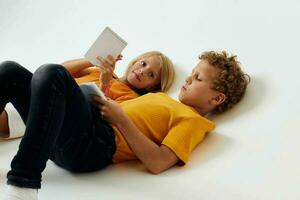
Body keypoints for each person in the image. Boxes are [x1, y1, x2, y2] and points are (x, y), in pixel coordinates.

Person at [1, 50, 250, 200]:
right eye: (192, 73)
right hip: (74, 131)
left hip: (94, 145)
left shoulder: (194, 121)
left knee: (52, 73)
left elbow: (159, 162)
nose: (188, 79)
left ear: (216, 99)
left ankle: (23, 183)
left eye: (198, 79)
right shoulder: (159, 99)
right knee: (10, 71)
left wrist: (120, 118)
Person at [0, 51, 175, 140]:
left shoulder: (133, 99)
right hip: (39, 93)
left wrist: (105, 83)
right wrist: (92, 60)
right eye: (143, 64)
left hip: (57, 116)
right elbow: (54, 72)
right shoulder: (99, 70)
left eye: (151, 75)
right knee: (9, 71)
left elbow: (103, 117)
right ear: (136, 61)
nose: (142, 71)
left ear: (153, 87)